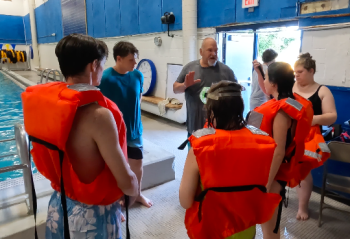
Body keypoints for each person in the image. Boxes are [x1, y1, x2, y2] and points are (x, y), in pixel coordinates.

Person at [21, 34, 138, 239]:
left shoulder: (49, 105)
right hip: (93, 216)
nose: (102, 69)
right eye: (102, 64)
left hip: (59, 205)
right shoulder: (98, 115)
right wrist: (134, 188)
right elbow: (125, 181)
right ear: (94, 65)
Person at [179, 81, 281, 239]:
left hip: (210, 230)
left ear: (211, 112)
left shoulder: (200, 148)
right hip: (245, 229)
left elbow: (185, 201)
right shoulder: (263, 143)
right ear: (240, 109)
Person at [248, 62, 313, 239]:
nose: (264, 82)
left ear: (274, 84)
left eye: (266, 78)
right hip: (274, 171)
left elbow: (278, 152)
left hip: (274, 175)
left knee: (269, 229)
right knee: (268, 225)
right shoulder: (286, 103)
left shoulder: (281, 112)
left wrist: (266, 185)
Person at [98, 41, 153, 208]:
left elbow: (139, 96)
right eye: (131, 60)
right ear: (119, 59)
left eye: (135, 59)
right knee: (116, 169)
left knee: (137, 165)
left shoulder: (137, 76)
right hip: (114, 133)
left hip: (135, 131)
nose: (135, 64)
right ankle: (116, 201)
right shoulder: (106, 78)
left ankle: (137, 194)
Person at [293, 53, 337, 221]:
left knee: (303, 170)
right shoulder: (291, 87)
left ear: (311, 71)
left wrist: (311, 120)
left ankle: (302, 206)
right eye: (295, 72)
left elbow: (332, 116)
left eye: (300, 71)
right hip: (291, 133)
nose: (296, 75)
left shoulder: (322, 90)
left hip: (310, 136)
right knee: (291, 168)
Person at [173, 38, 237, 147]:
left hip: (219, 129)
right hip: (195, 127)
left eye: (216, 51)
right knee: (195, 161)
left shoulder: (227, 71)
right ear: (201, 52)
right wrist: (185, 85)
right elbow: (175, 89)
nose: (214, 54)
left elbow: (236, 95)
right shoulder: (190, 68)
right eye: (210, 50)